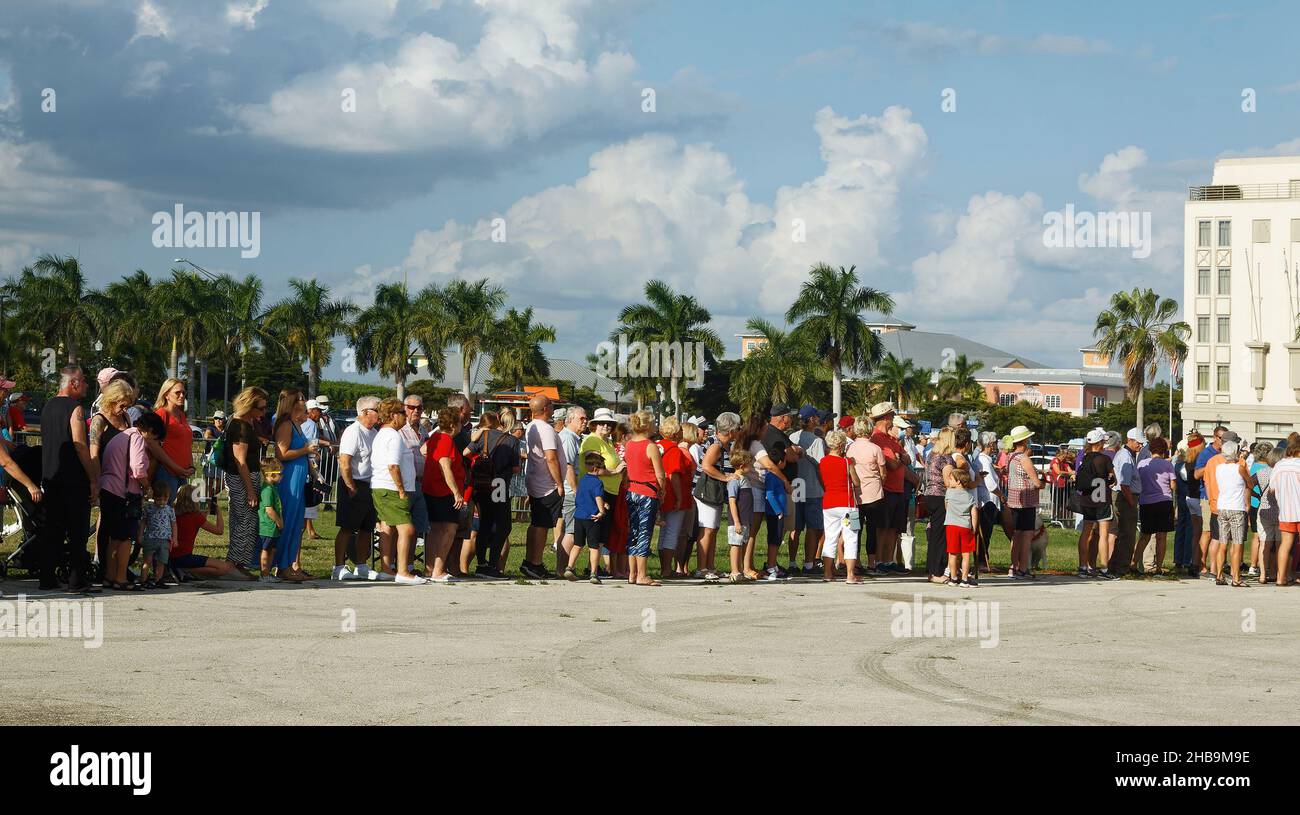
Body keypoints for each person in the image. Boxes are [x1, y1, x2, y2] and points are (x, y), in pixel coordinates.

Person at [38, 366, 97, 593]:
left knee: (52, 530)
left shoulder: (47, 406)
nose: (86, 385)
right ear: (73, 383)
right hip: (73, 481)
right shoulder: (76, 409)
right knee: (77, 532)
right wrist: (92, 477)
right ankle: (77, 580)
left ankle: (47, 577)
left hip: (51, 477)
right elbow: (80, 445)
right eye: (83, 381)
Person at [98, 412, 163, 590]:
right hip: (123, 493)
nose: (152, 443)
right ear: (149, 430)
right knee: (126, 538)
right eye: (154, 437)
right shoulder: (137, 438)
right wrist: (146, 486)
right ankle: (121, 578)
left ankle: (109, 576)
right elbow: (137, 468)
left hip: (107, 488)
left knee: (114, 537)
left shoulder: (122, 435)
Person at [371, 397, 426, 584]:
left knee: (388, 526)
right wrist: (401, 489)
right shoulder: (394, 436)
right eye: (402, 413)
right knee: (408, 529)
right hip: (391, 488)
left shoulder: (382, 434)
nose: (405, 416)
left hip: (382, 487)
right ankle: (403, 571)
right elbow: (393, 465)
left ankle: (387, 569)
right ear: (394, 416)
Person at [89, 378, 136, 568]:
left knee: (122, 526)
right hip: (107, 479)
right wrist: (96, 482)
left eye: (128, 405)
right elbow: (93, 453)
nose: (125, 408)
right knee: (107, 524)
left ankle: (118, 566)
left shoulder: (126, 418)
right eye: (123, 404)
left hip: (124, 478)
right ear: (112, 399)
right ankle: (104, 565)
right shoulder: (99, 420)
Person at [332, 395, 380, 581]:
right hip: (353, 482)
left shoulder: (374, 433)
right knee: (347, 527)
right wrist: (350, 485)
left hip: (369, 484)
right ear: (365, 412)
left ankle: (361, 565)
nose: (380, 413)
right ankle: (338, 566)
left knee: (366, 528)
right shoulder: (353, 431)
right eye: (377, 409)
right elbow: (345, 461)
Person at [272, 388, 317, 582]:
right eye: (301, 399)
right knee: (288, 521)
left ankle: (290, 564)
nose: (305, 402)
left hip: (299, 476)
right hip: (289, 477)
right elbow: (281, 453)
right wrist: (305, 449)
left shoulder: (297, 424)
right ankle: (281, 566)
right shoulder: (286, 424)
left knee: (296, 522)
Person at [468, 411, 519, 579]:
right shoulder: (512, 441)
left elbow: (466, 453)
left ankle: (481, 563)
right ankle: (492, 565)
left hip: (481, 485)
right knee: (503, 525)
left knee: (484, 523)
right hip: (499, 485)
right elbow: (516, 468)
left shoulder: (483, 435)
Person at [224, 387, 269, 576]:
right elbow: (240, 460)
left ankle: (239, 563)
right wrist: (250, 490)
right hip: (242, 479)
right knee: (245, 522)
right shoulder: (239, 426)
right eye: (261, 408)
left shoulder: (246, 423)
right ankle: (234, 564)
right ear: (249, 406)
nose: (264, 412)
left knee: (246, 521)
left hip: (246, 476)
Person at [420, 406, 466, 583]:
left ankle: (430, 568)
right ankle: (438, 570)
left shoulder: (435, 437)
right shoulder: (446, 440)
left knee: (435, 530)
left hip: (430, 488)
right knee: (449, 529)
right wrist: (456, 492)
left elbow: (423, 450)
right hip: (444, 491)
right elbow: (445, 466)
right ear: (454, 425)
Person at [690, 410, 737, 581]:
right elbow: (707, 466)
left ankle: (710, 566)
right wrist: (725, 478)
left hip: (714, 492)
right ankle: (701, 567)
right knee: (707, 529)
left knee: (713, 529)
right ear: (730, 430)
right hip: (707, 492)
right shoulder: (716, 445)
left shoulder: (722, 444)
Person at [522, 394, 565, 579]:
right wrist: (559, 482)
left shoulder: (532, 425)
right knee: (542, 524)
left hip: (535, 480)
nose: (553, 407)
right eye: (551, 404)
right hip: (546, 484)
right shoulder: (545, 429)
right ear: (546, 408)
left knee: (536, 523)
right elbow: (551, 457)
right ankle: (536, 563)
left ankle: (529, 561)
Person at [624, 410, 666, 586]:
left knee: (633, 532)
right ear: (648, 425)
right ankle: (642, 574)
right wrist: (662, 492)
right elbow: (660, 475)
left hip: (631, 490)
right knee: (644, 533)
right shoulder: (650, 446)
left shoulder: (629, 444)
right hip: (647, 493)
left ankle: (632, 573)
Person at [869, 402, 911, 578]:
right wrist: (899, 458)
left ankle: (889, 560)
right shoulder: (877, 438)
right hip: (886, 488)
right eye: (891, 416)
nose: (893, 418)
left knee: (894, 527)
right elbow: (892, 464)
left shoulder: (892, 439)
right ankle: (880, 560)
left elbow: (906, 458)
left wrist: (899, 457)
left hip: (898, 489)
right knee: (883, 527)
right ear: (885, 418)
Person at [170, 483, 245, 581]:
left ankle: (180, 570)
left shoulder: (172, 513)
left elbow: (196, 523)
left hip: (171, 557)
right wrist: (218, 511)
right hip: (184, 557)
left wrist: (206, 511)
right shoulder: (196, 517)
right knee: (224, 568)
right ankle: (185, 570)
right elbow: (219, 531)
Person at [756, 404, 797, 580]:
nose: (792, 420)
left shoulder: (776, 434)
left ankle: (772, 564)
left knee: (778, 534)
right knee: (775, 535)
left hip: (781, 500)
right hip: (777, 504)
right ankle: (771, 565)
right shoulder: (774, 434)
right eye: (790, 416)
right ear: (782, 417)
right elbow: (792, 456)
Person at [818, 430, 862, 583]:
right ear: (842, 445)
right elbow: (856, 482)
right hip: (848, 505)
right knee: (851, 537)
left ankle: (827, 573)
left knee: (830, 537)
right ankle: (850, 574)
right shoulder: (846, 462)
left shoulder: (823, 461)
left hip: (829, 503)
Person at [1076, 429, 1117, 579]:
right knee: (1103, 534)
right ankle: (1104, 569)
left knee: (1085, 533)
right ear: (1100, 443)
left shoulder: (1084, 458)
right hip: (1101, 500)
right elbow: (1114, 480)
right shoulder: (1104, 460)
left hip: (1087, 500)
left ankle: (1082, 567)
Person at [790, 405, 826, 577]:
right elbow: (820, 466)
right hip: (812, 487)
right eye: (816, 417)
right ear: (811, 420)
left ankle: (791, 562)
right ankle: (809, 564)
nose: (818, 419)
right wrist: (825, 486)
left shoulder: (792, 436)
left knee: (795, 528)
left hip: (797, 485)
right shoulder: (817, 440)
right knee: (812, 528)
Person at [847, 416, 886, 573]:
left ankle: (855, 561)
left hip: (855, 496)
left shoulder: (850, 449)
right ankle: (871, 562)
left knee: (855, 529)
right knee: (872, 529)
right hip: (874, 494)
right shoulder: (875, 449)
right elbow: (883, 472)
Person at [1214, 440, 1254, 587]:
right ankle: (1236, 577)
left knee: (1223, 543)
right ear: (1235, 453)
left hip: (1222, 507)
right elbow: (1250, 484)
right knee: (1237, 545)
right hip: (1237, 507)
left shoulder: (1219, 468)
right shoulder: (1239, 468)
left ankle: (1219, 575)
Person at [1134, 437, 1175, 575]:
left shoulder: (1141, 464)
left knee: (1145, 535)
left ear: (1150, 449)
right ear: (1164, 450)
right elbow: (1173, 485)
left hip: (1146, 502)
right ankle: (1158, 568)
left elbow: (1137, 481)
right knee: (1161, 536)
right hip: (1164, 502)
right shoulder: (1167, 465)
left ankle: (1133, 563)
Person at [655, 416, 690, 578]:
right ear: (675, 433)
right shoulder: (674, 450)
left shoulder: (657, 445)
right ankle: (666, 569)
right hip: (672, 494)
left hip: (659, 493)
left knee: (663, 532)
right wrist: (679, 497)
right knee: (672, 532)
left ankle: (664, 568)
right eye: (681, 429)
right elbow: (673, 475)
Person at [566, 451, 608, 582]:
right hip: (592, 518)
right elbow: (597, 497)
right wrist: (601, 511)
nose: (604, 470)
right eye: (603, 468)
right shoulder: (598, 482)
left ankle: (569, 567)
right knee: (594, 546)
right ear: (596, 469)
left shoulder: (582, 480)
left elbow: (582, 496)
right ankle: (593, 573)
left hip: (579, 516)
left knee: (577, 544)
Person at [398, 394, 431, 555]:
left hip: (421, 483)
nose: (416, 411)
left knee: (417, 528)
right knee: (403, 527)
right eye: (412, 407)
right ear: (404, 408)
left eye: (419, 407)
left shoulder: (424, 430)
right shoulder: (399, 429)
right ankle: (394, 564)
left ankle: (409, 566)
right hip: (404, 483)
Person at [921, 426, 955, 582]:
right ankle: (936, 572)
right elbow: (948, 481)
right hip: (941, 496)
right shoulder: (946, 458)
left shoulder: (931, 455)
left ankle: (932, 570)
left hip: (929, 495)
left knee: (935, 534)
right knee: (940, 536)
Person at [153, 378, 194, 503]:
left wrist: (191, 466)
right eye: (177, 392)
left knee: (180, 512)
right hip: (166, 472)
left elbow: (187, 443)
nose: (182, 396)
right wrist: (176, 468)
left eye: (183, 392)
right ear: (166, 394)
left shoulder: (181, 415)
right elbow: (153, 445)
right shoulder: (160, 414)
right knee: (164, 510)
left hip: (181, 473)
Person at [1194, 426, 1228, 577]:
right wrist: (1212, 465)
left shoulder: (1228, 453)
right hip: (1207, 496)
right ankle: (1202, 566)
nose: (1224, 441)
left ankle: (1219, 566)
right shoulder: (1206, 453)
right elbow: (1196, 474)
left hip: (1225, 498)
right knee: (1207, 532)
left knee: (1221, 534)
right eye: (1221, 438)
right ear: (1215, 437)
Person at [557, 407, 587, 575]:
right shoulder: (568, 438)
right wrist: (576, 491)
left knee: (568, 530)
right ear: (570, 419)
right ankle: (562, 569)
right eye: (581, 418)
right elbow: (568, 466)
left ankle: (561, 569)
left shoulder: (573, 437)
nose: (585, 421)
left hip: (570, 491)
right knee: (571, 531)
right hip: (571, 492)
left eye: (585, 418)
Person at [1109, 428, 1143, 576]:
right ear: (1130, 440)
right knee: (1127, 534)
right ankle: (1121, 567)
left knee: (1124, 533)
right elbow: (1124, 484)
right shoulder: (1126, 457)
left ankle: (1117, 566)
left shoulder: (1127, 454)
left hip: (1125, 495)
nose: (1140, 446)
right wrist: (1131, 503)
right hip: (1125, 497)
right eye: (1138, 443)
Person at [1172, 435, 1204, 576]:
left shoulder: (1179, 462)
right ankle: (1186, 559)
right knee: (1190, 530)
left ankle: (1179, 559)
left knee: (1181, 528)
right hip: (1191, 497)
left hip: (1182, 497)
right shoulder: (1191, 462)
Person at [301, 399, 331, 541]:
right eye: (318, 410)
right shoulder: (312, 424)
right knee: (310, 497)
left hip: (301, 463)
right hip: (308, 465)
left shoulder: (300, 423)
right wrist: (315, 471)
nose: (320, 413)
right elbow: (311, 447)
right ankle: (308, 529)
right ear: (311, 411)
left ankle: (310, 529)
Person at [944, 467, 979, 587]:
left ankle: (953, 578)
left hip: (951, 525)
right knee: (966, 554)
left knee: (952, 553)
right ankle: (964, 578)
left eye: (951, 479)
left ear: (958, 481)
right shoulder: (969, 496)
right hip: (965, 526)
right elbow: (974, 513)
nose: (949, 481)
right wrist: (974, 527)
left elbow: (946, 506)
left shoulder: (949, 492)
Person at [726, 448, 756, 583]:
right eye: (750, 464)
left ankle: (740, 569)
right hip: (737, 520)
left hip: (745, 519)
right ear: (742, 466)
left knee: (741, 543)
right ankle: (734, 571)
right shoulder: (735, 480)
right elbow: (732, 501)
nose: (752, 466)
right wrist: (736, 521)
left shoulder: (745, 479)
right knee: (735, 544)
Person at [140, 481, 176, 589]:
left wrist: (175, 538)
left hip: (164, 539)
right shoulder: (149, 508)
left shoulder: (170, 510)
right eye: (159, 499)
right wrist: (140, 535)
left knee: (162, 561)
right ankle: (144, 579)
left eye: (165, 500)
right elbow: (143, 522)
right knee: (148, 560)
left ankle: (159, 579)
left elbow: (174, 524)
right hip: (150, 538)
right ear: (154, 497)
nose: (162, 502)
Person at [1257, 447, 1284, 583]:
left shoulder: (1261, 472)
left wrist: (1257, 496)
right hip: (1281, 511)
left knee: (1264, 544)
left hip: (1264, 510)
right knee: (1280, 545)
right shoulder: (1282, 473)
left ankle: (1262, 575)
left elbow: (1249, 484)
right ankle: (1278, 574)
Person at [1248, 442, 1273, 578]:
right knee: (1264, 537)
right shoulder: (1270, 469)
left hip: (1254, 503)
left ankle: (1253, 565)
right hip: (1265, 505)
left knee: (1256, 536)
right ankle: (1262, 565)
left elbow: (1249, 484)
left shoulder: (1253, 467)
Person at [257, 461, 284, 582]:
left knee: (272, 550)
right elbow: (269, 510)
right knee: (266, 550)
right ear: (272, 475)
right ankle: (264, 574)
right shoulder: (267, 489)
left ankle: (267, 572)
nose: (282, 476)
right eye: (280, 474)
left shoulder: (272, 488)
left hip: (273, 528)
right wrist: (279, 522)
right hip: (268, 526)